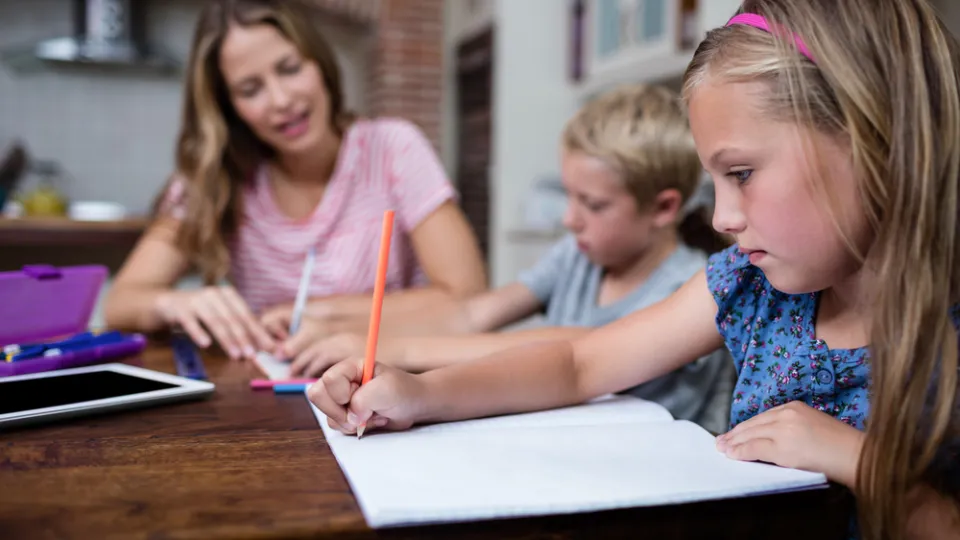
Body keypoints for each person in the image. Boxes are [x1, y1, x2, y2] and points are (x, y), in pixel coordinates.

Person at [308, 1, 960, 538]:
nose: (725, 218)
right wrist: (422, 395)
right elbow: (580, 363)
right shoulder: (746, 284)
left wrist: (866, 465)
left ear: (873, 135)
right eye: (716, 181)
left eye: (741, 174)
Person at [284, 84, 734, 433]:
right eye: (569, 196)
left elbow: (569, 353)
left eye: (593, 205)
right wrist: (359, 336)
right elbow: (475, 314)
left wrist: (397, 350)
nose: (569, 218)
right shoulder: (576, 257)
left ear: (663, 208)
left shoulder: (685, 290)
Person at [102, 0, 486, 360]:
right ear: (228, 108)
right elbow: (120, 303)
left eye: (290, 68)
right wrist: (173, 302)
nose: (281, 99)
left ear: (319, 63)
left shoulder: (392, 148)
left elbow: (466, 295)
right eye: (250, 89)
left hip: (390, 388)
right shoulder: (216, 179)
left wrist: (317, 315)